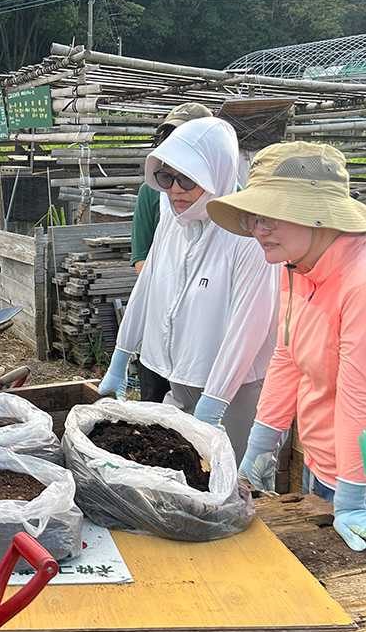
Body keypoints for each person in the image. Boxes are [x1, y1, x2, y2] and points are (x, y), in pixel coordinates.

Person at [206, 142, 366, 553]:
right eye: (253, 217)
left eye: (269, 216)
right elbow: (287, 357)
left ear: (318, 214)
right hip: (322, 463)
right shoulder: (298, 265)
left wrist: (350, 501)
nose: (257, 229)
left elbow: (360, 397)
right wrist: (259, 450)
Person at [98, 117, 280, 461]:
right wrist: (121, 356)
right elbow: (148, 284)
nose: (175, 190)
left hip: (235, 390)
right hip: (180, 374)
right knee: (181, 466)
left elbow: (249, 329)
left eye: (187, 179)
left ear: (217, 175)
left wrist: (214, 403)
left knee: (231, 472)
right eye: (166, 178)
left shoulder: (247, 237)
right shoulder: (173, 219)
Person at [129, 102, 214, 402]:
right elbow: (142, 257)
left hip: (205, 331)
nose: (176, 188)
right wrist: (170, 296)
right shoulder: (153, 192)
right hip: (159, 319)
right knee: (155, 405)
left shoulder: (230, 194)